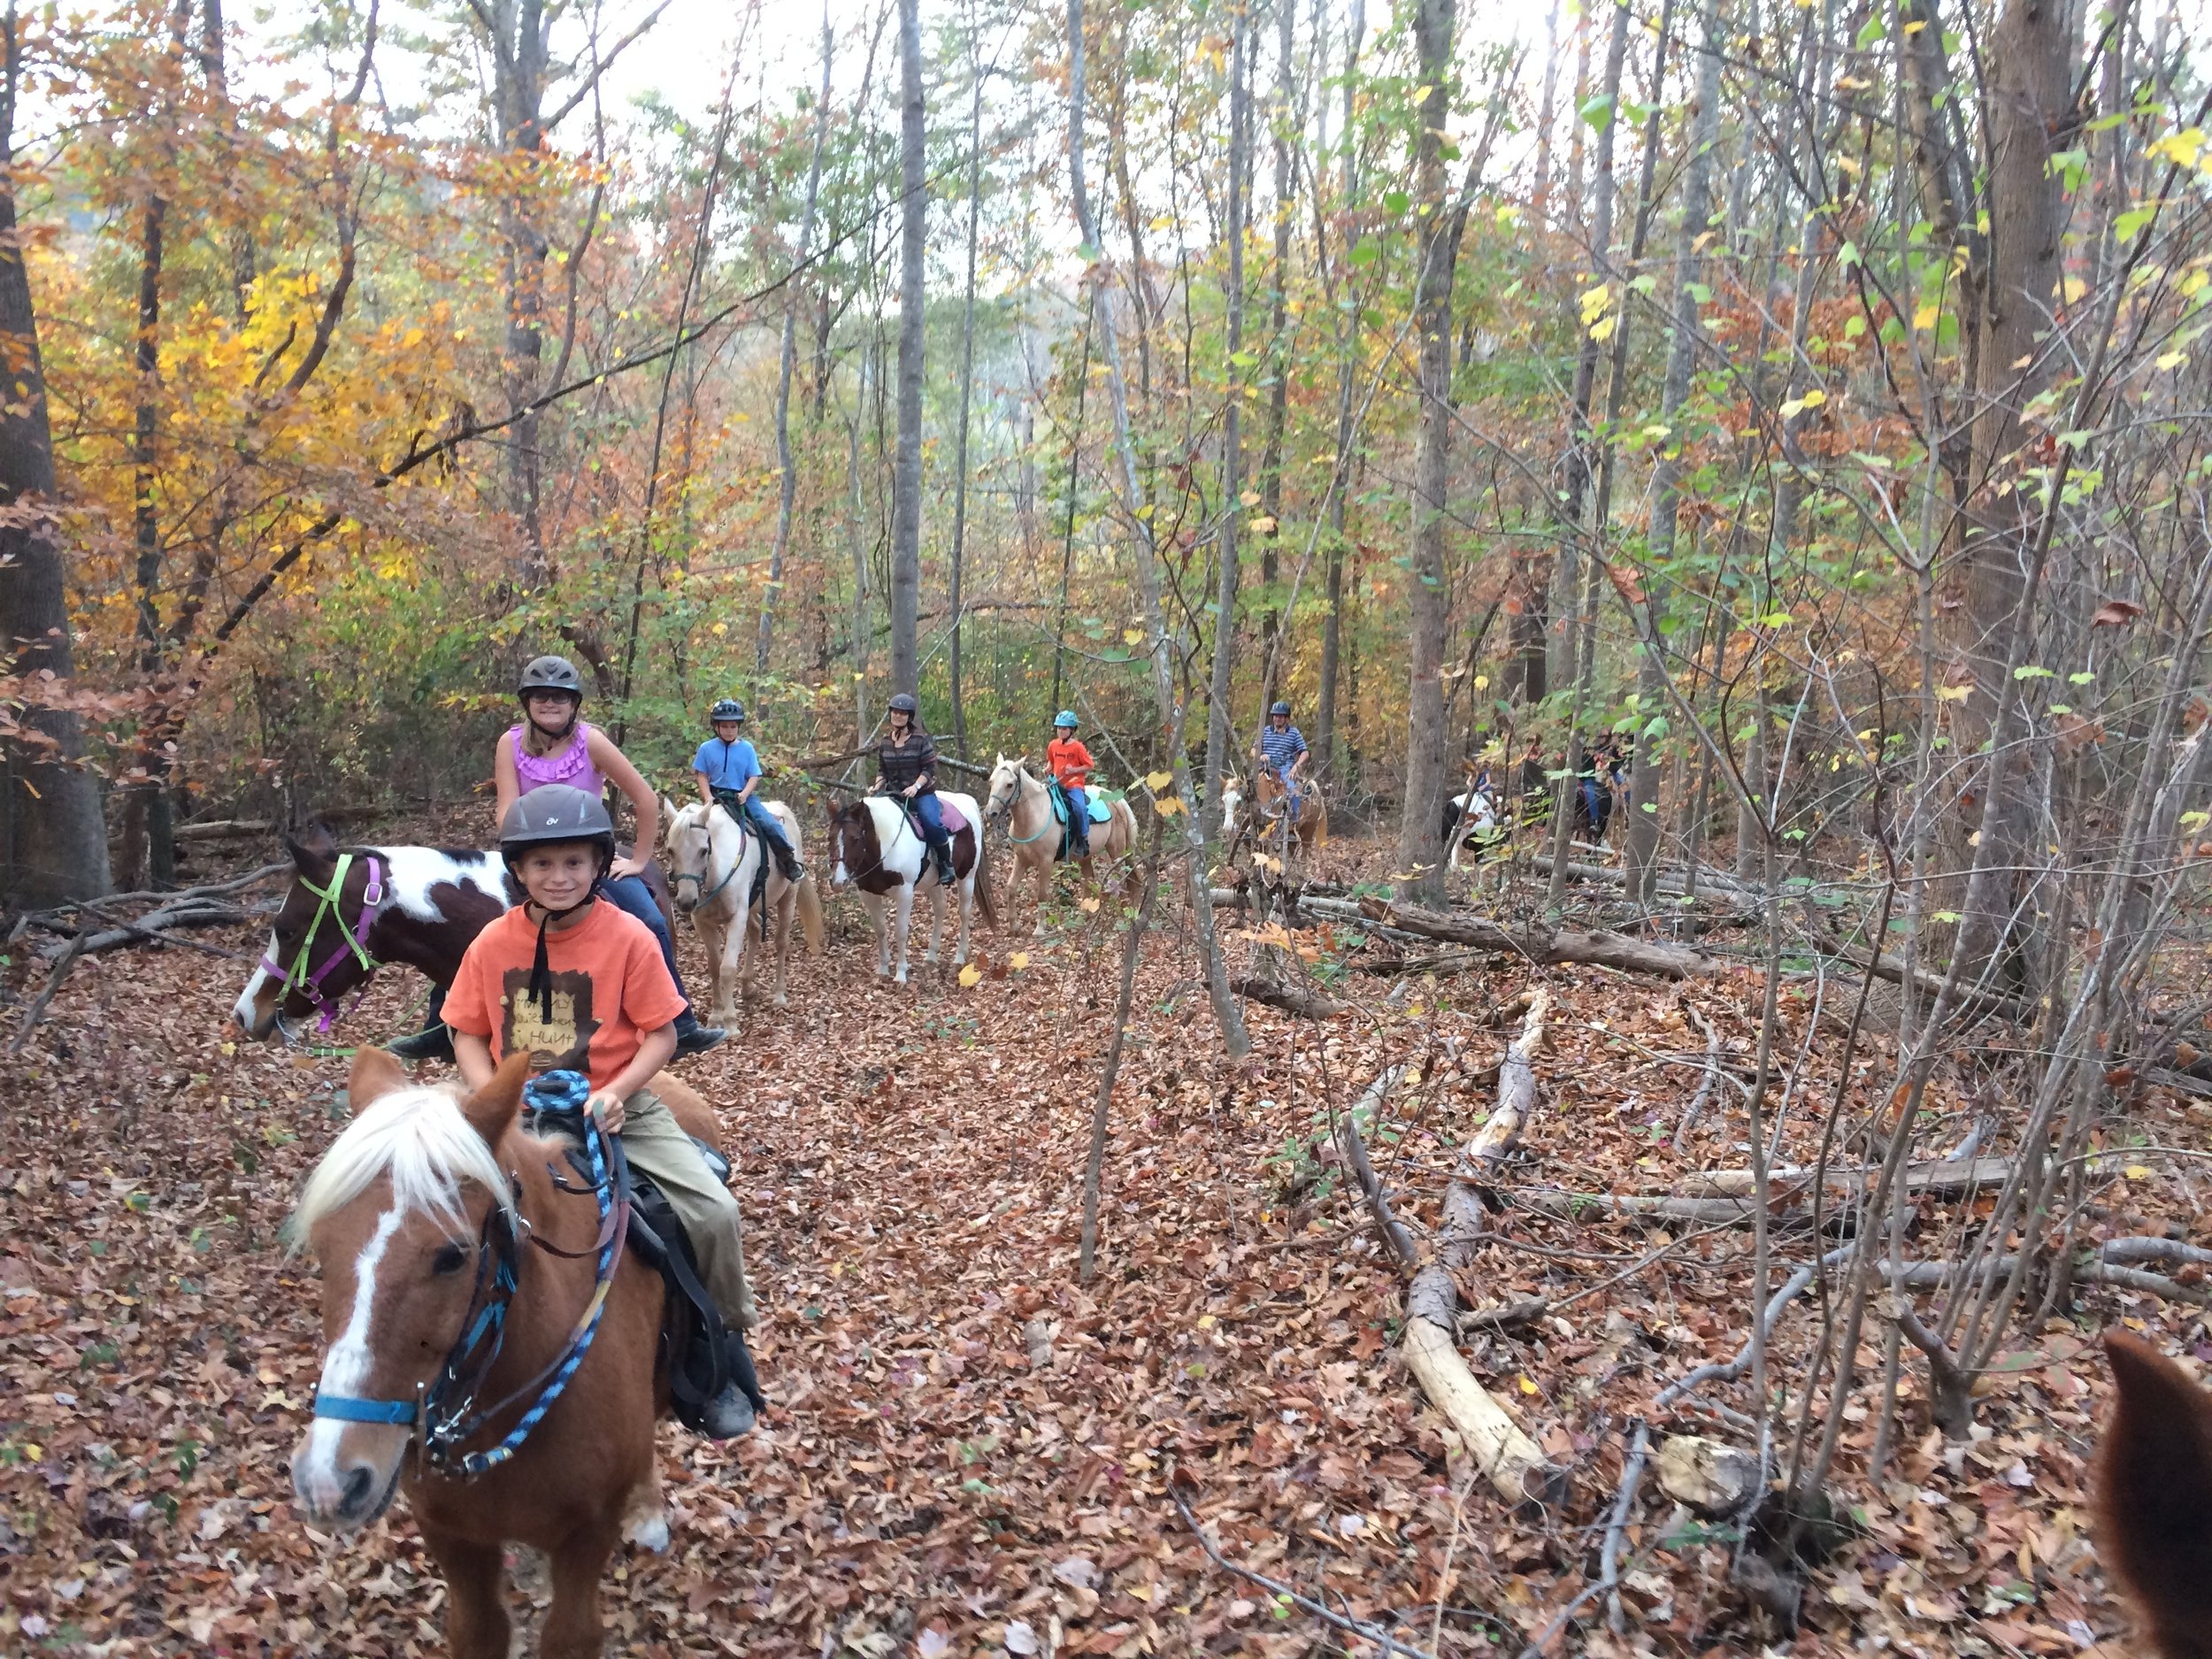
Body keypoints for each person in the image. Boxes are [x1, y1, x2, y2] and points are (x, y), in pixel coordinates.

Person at [442, 786, 759, 1438]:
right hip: (516, 1112)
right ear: (520, 871)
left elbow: (664, 1034)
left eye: (574, 863)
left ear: (596, 865)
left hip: (620, 1105)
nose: (559, 877)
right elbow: (466, 1031)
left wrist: (616, 1092)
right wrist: (491, 1096)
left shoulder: (629, 937)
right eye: (542, 865)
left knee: (714, 1211)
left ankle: (720, 1345)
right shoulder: (491, 943)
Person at [387, 657, 725, 1064]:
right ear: (528, 702)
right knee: (474, 924)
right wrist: (523, 846)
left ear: (573, 704)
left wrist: (637, 860)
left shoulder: (591, 742)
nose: (551, 704)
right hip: (532, 854)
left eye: (560, 698)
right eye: (542, 697)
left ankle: (681, 1022)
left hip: (586, 855)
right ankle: (441, 1028)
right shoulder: (508, 744)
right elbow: (505, 808)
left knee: (649, 919)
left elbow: (646, 798)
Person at [691, 699, 804, 883]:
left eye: (733, 726)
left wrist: (744, 793)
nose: (729, 730)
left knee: (769, 824)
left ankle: (788, 861)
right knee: (690, 826)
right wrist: (708, 797)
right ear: (716, 727)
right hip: (716, 796)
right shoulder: (706, 749)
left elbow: (754, 775)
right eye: (725, 726)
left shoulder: (747, 749)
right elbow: (702, 775)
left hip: (741, 796)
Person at [872, 693, 956, 887]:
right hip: (893, 793)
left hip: (922, 793)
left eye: (902, 713)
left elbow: (929, 769)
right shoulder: (885, 742)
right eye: (895, 712)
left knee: (932, 822)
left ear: (909, 717)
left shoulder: (921, 740)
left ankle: (945, 864)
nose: (898, 716)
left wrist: (915, 786)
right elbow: (882, 770)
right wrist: (876, 786)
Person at [1045, 710, 1094, 858]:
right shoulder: (1053, 745)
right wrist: (1048, 768)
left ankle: (1083, 840)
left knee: (1079, 808)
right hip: (1056, 784)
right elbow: (1051, 761)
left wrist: (1074, 770)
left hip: (1073, 785)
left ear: (1072, 730)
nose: (1060, 731)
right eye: (1059, 728)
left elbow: (1089, 765)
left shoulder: (1078, 747)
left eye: (1064, 728)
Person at [1258, 700, 1310, 822]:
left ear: (1286, 718)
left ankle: (1294, 819)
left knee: (1292, 791)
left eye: (1281, 716)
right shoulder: (1265, 731)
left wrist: (1296, 766)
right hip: (1265, 767)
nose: (1278, 719)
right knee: (1249, 788)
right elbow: (1254, 750)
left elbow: (1305, 752)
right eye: (1276, 716)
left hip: (1284, 768)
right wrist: (1260, 755)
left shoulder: (1294, 733)